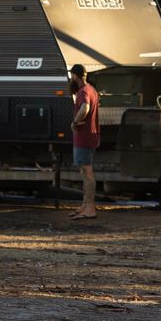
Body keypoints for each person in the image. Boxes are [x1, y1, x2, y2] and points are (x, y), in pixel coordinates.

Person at [67, 64, 101, 220]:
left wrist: (75, 122)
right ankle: (85, 206)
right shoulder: (92, 89)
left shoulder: (83, 92)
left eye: (71, 76)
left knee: (87, 173)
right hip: (89, 137)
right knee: (84, 172)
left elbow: (85, 108)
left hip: (84, 138)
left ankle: (91, 209)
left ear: (75, 76)